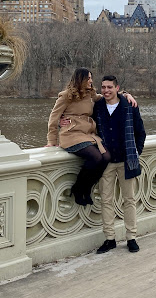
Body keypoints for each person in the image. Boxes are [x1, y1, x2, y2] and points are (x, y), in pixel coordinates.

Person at [46, 67, 136, 206]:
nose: (91, 81)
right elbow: (53, 118)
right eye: (88, 78)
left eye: (91, 78)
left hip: (88, 135)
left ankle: (86, 188)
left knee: (106, 157)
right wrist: (51, 141)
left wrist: (125, 94)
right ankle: (78, 189)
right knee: (95, 157)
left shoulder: (91, 94)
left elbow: (108, 96)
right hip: (71, 135)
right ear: (80, 79)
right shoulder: (66, 96)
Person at [92, 75, 146, 254]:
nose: (106, 90)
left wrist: (136, 151)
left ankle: (131, 237)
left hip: (126, 160)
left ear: (117, 88)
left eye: (109, 87)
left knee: (128, 199)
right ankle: (110, 239)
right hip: (106, 160)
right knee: (106, 200)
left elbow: (140, 131)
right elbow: (87, 124)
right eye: (103, 87)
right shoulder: (98, 106)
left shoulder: (129, 106)